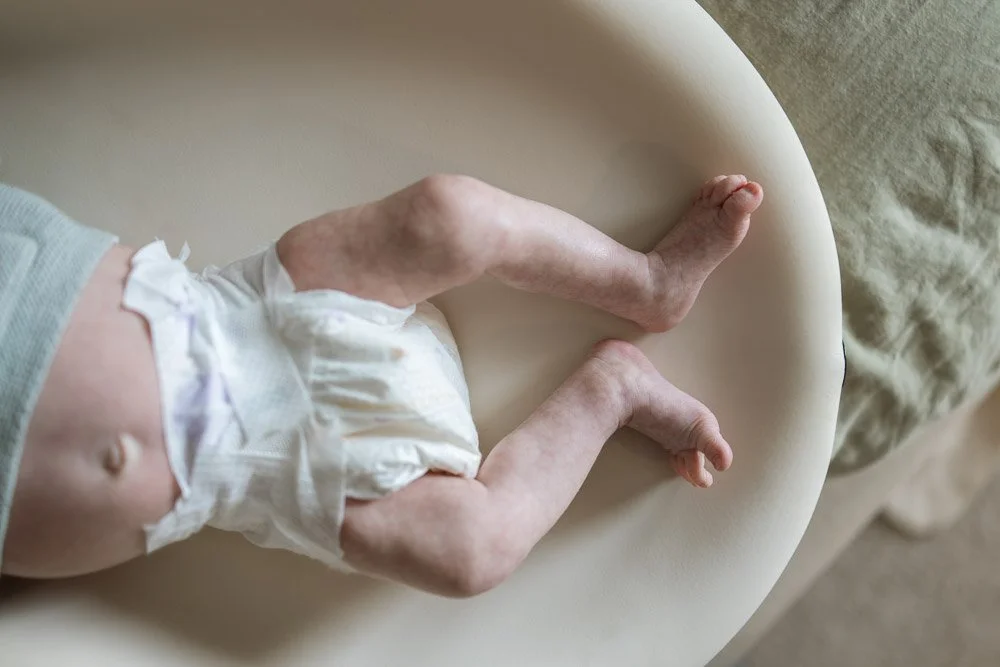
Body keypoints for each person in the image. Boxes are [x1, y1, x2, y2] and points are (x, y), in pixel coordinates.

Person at [0, 173, 762, 597]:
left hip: (255, 311)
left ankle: (647, 281)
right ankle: (612, 390)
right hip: (279, 472)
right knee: (472, 552)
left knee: (449, 215)